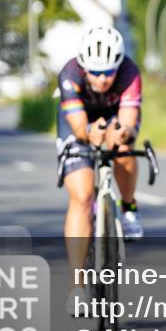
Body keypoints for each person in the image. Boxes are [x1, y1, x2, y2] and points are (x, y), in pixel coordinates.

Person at [56, 26, 143, 311]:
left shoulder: (130, 73)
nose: (102, 79)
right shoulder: (70, 73)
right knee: (81, 196)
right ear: (83, 66)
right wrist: (90, 133)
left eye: (108, 72)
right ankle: (77, 286)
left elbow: (129, 121)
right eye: (95, 72)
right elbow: (80, 128)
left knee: (125, 147)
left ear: (118, 65)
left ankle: (129, 208)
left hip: (114, 117)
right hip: (78, 120)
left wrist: (121, 133)